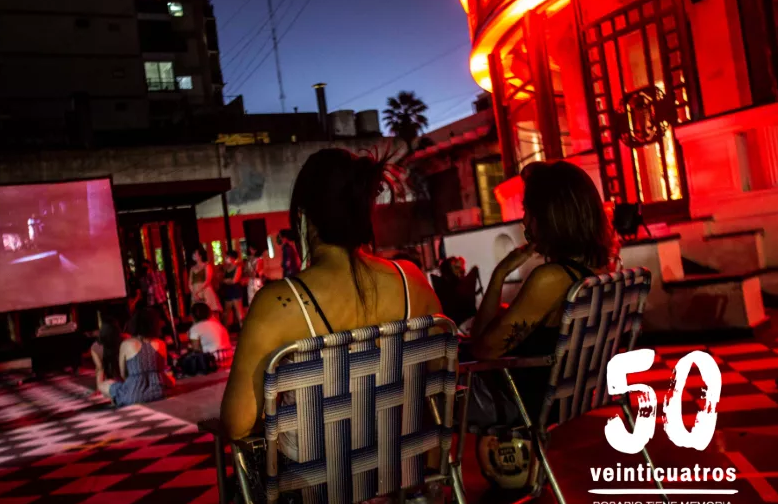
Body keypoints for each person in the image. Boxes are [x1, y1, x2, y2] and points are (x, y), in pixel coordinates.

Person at [221, 148, 443, 457]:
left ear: (302, 217)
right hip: (406, 479)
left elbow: (237, 423)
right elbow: (441, 377)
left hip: (316, 494)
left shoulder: (278, 304)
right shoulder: (412, 281)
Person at [469, 160, 617, 422]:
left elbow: (482, 350)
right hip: (572, 397)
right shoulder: (599, 271)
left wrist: (499, 275)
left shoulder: (550, 279)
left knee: (428, 392)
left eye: (529, 211)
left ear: (552, 217)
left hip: (523, 403)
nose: (524, 221)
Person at [98, 308, 172, 407]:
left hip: (133, 395)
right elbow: (163, 370)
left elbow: (123, 374)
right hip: (159, 392)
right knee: (170, 376)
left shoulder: (127, 344)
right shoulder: (161, 343)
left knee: (104, 385)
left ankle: (117, 400)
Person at [434, 257, 481, 331]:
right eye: (456, 268)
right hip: (459, 320)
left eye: (461, 269)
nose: (462, 271)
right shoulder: (452, 289)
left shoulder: (443, 286)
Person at [183, 303, 231, 376]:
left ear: (193, 316)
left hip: (213, 360)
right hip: (228, 357)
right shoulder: (218, 325)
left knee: (188, 358)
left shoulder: (195, 328)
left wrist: (189, 347)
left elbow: (197, 350)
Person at [189, 246, 223, 316]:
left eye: (195, 253)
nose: (193, 255)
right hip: (195, 293)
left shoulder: (207, 266)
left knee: (210, 313)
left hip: (205, 291)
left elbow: (207, 280)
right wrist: (194, 293)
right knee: (197, 314)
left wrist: (197, 291)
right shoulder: (192, 268)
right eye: (193, 254)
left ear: (200, 255)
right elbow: (189, 282)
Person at [90, 318, 124, 385]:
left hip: (112, 380)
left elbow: (99, 368)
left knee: (100, 367)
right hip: (123, 376)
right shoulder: (124, 341)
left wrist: (99, 387)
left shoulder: (95, 346)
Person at [221, 250, 245, 328]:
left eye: (227, 257)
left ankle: (243, 330)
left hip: (235, 290)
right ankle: (225, 330)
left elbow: (234, 280)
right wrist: (227, 281)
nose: (225, 258)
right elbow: (222, 279)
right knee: (226, 312)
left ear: (232, 258)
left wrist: (227, 281)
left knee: (239, 311)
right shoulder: (226, 268)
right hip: (228, 291)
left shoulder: (238, 267)